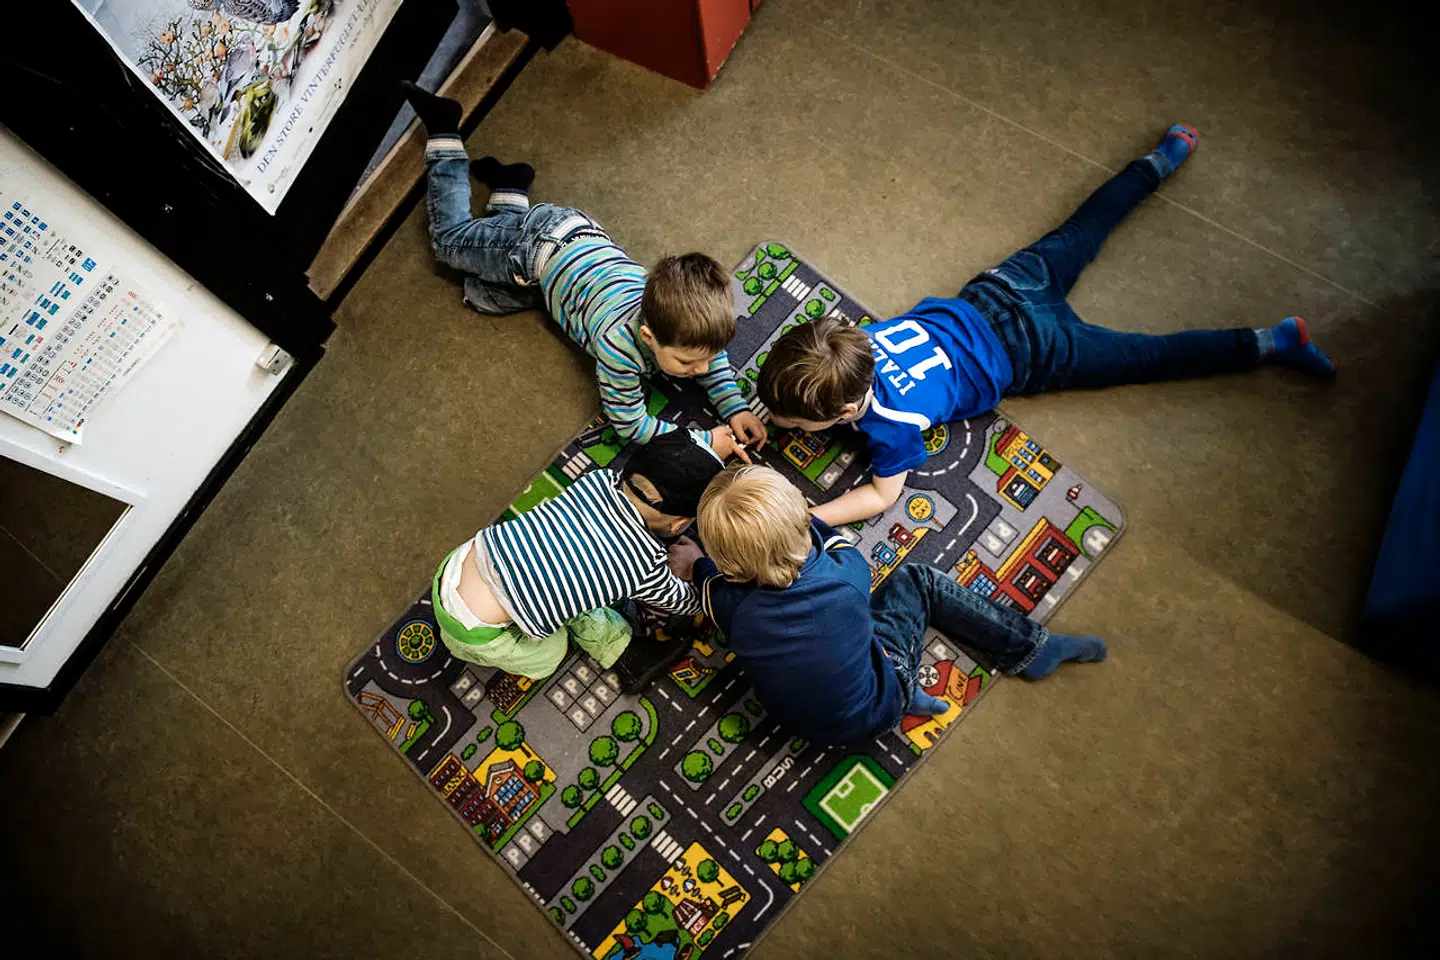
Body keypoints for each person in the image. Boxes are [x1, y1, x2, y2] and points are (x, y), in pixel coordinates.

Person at [756, 125, 1336, 525]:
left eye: (795, 422)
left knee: (1144, 358)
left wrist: (813, 515)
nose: (788, 427)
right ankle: (1163, 158)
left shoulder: (891, 424)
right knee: (1083, 228)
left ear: (846, 414)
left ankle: (1267, 342)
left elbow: (883, 496)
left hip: (1035, 352)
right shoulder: (850, 342)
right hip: (1001, 288)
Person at [400, 82, 766, 460]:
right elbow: (629, 424)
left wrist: (734, 406)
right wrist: (704, 440)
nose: (702, 369)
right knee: (450, 244)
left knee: (486, 296)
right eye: (688, 362)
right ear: (647, 334)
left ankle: (510, 189)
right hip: (534, 248)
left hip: (580, 237)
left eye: (706, 357)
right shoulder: (618, 347)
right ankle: (444, 133)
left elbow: (710, 354)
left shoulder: (673, 307)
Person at [670, 465, 1104, 744]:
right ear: (803, 516)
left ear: (730, 566)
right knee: (917, 580)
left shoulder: (731, 605)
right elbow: (825, 535)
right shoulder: (847, 573)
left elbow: (708, 580)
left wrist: (695, 565)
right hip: (879, 698)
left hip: (802, 727)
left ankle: (908, 695)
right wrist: (801, 519)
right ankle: (1029, 650)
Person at [432, 431, 725, 680]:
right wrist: (698, 567)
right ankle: (619, 651)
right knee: (552, 651)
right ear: (678, 524)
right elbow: (685, 603)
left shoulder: (597, 480)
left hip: (456, 567)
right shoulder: (644, 565)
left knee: (577, 575)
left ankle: (620, 650)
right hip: (475, 633)